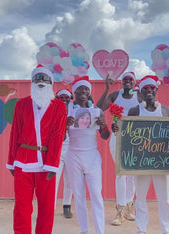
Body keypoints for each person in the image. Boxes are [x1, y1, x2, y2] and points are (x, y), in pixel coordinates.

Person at [6, 64, 67, 234]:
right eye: (37, 78)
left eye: (44, 79)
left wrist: (52, 165)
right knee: (21, 208)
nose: (41, 81)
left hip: (46, 164)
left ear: (51, 83)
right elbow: (15, 133)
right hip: (22, 161)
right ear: (32, 82)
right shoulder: (22, 104)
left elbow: (57, 137)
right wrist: (11, 162)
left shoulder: (59, 106)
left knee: (47, 209)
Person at [113, 75, 169, 234]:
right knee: (140, 198)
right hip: (142, 162)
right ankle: (141, 229)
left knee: (165, 200)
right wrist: (117, 129)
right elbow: (127, 133)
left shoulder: (166, 110)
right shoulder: (135, 110)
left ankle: (166, 230)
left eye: (152, 88)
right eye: (145, 88)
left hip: (162, 162)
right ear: (141, 91)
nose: (149, 91)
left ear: (157, 89)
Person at [65, 76, 110, 234]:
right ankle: (84, 230)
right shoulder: (68, 111)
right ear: (74, 92)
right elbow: (62, 138)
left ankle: (100, 231)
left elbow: (105, 136)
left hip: (91, 156)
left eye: (86, 89)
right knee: (78, 196)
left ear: (89, 92)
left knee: (96, 195)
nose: (84, 91)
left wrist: (104, 126)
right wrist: (65, 126)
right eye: (80, 89)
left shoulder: (97, 111)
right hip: (73, 155)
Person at [96, 71, 140, 226]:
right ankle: (120, 210)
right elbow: (99, 108)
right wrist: (107, 88)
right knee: (121, 173)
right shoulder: (116, 95)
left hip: (136, 139)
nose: (127, 81)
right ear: (121, 82)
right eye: (125, 79)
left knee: (133, 174)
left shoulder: (139, 95)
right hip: (118, 138)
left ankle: (129, 207)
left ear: (135, 83)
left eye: (131, 80)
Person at [54, 89, 74, 219]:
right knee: (54, 181)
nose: (65, 99)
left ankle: (67, 206)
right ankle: (51, 207)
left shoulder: (75, 111)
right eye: (62, 97)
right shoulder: (52, 112)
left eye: (67, 97)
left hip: (71, 150)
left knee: (70, 181)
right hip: (57, 150)